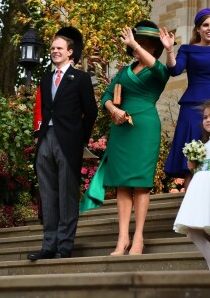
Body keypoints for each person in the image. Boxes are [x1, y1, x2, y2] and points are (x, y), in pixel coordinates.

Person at [80, 21, 170, 256]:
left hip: (145, 128)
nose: (142, 48)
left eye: (148, 45)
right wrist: (114, 111)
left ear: (155, 49)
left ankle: (138, 237)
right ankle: (123, 239)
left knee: (141, 184)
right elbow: (107, 96)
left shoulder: (158, 69)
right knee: (122, 185)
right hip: (121, 128)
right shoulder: (124, 71)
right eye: (139, 44)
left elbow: (160, 70)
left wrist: (133, 44)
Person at [27, 27, 98, 261]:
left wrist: (80, 139)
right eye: (52, 48)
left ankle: (64, 246)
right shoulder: (46, 78)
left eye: (59, 48)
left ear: (70, 52)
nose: (54, 51)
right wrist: (39, 137)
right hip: (45, 141)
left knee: (67, 195)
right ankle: (48, 245)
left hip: (69, 143)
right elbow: (46, 109)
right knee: (47, 195)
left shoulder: (81, 78)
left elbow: (91, 111)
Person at [161, 8, 210, 189]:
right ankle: (190, 199)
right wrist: (170, 50)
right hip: (192, 108)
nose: (209, 28)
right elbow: (175, 70)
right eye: (205, 25)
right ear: (198, 29)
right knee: (191, 157)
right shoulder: (187, 50)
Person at [173, 98, 210, 271]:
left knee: (194, 231)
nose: (207, 120)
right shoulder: (205, 143)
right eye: (205, 117)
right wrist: (193, 165)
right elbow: (200, 168)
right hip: (200, 186)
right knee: (203, 235)